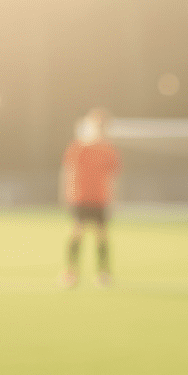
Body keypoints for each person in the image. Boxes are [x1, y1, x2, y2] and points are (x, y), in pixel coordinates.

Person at [60, 108, 120, 287]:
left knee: (102, 235)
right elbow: (68, 171)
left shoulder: (108, 150)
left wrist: (113, 199)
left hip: (100, 198)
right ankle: (71, 273)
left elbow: (113, 176)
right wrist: (66, 193)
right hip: (80, 197)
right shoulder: (78, 147)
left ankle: (103, 273)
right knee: (76, 233)